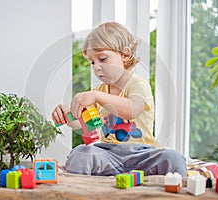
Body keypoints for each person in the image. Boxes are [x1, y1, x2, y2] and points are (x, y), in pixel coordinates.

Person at [51, 22, 187, 176]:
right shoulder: (98, 91)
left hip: (142, 154)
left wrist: (97, 97)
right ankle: (78, 191)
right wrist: (67, 115)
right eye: (92, 62)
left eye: (102, 58)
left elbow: (132, 110)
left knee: (173, 157)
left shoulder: (138, 85)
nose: (96, 67)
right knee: (81, 152)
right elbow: (79, 122)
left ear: (125, 55)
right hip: (108, 154)